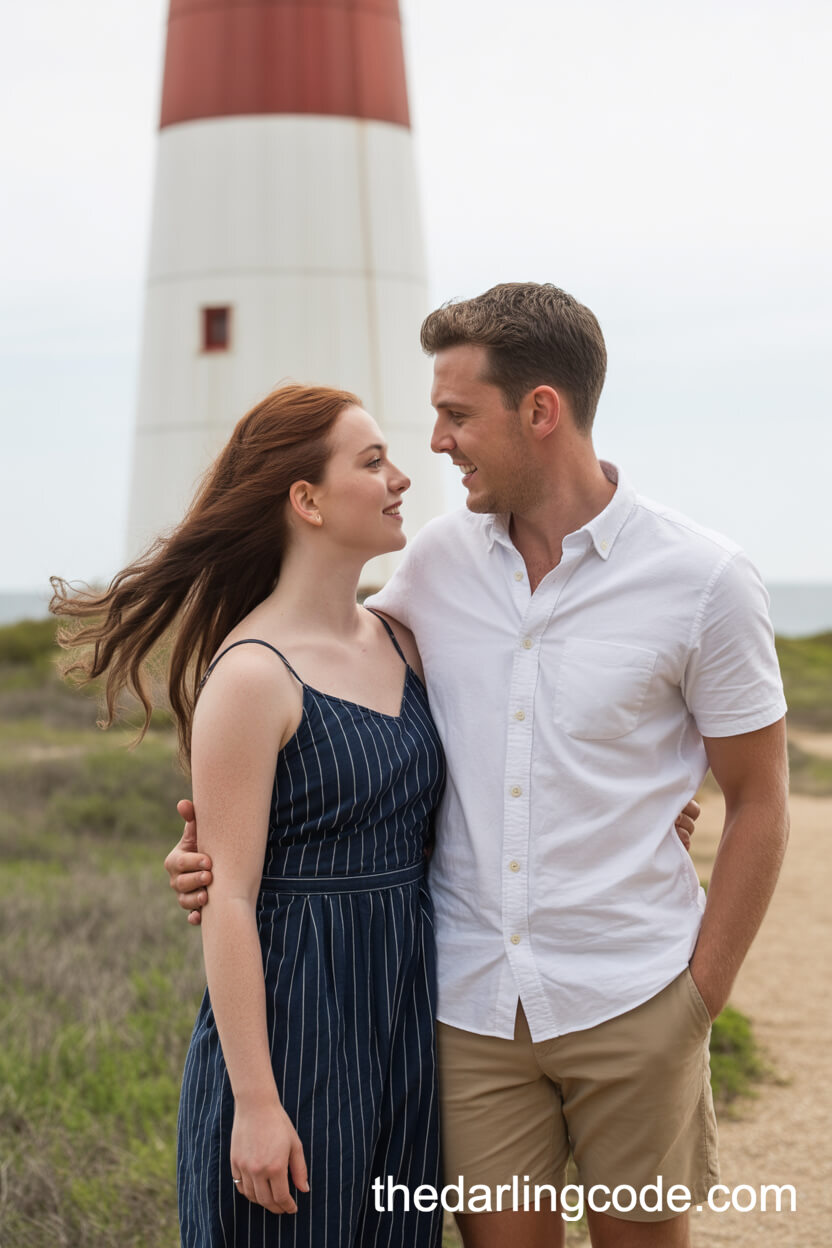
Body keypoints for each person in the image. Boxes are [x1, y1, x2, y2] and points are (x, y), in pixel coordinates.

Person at [167, 283, 789, 1248]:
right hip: (466, 1012)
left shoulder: (704, 579)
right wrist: (218, 853)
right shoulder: (434, 567)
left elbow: (759, 801)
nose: (436, 444)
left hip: (635, 994)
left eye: (456, 415)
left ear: (539, 410)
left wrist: (700, 993)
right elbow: (318, 694)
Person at [51, 385, 446, 1248]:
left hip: (404, 1023)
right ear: (307, 499)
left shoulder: (404, 641)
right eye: (372, 461)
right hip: (296, 1025)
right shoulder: (253, 674)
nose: (401, 477)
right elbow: (228, 899)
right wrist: (258, 1105)